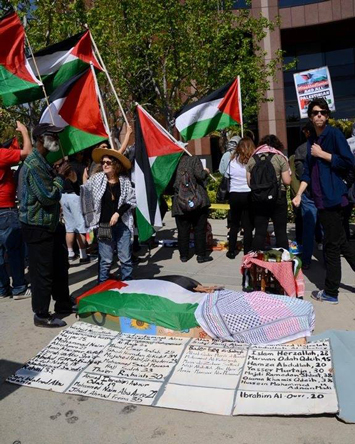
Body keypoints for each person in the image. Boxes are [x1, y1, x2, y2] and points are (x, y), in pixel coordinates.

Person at [292, 97, 355, 304]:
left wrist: (324, 155)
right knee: (342, 242)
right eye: (315, 113)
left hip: (334, 199)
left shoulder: (334, 135)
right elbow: (308, 173)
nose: (319, 115)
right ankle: (331, 291)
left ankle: (330, 292)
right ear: (310, 117)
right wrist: (299, 194)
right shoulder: (311, 142)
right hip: (320, 199)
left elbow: (349, 162)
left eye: (323, 112)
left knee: (331, 246)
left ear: (327, 116)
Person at [18, 123, 74, 327]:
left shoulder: (42, 161)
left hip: (50, 225)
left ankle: (63, 304)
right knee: (42, 272)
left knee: (60, 265)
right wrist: (60, 177)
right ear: (41, 139)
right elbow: (49, 196)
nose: (57, 141)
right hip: (37, 227)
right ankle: (41, 314)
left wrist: (57, 173)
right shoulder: (33, 165)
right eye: (53, 136)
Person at [80, 146, 136, 283]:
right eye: (103, 162)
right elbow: (85, 191)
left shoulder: (124, 181)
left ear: (115, 164)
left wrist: (118, 213)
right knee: (105, 261)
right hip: (104, 225)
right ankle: (102, 289)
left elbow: (132, 200)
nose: (104, 164)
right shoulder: (97, 179)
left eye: (108, 162)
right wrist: (78, 179)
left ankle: (128, 286)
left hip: (122, 225)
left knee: (126, 259)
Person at [0, 122, 32, 300]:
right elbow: (27, 153)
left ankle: (2, 288)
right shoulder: (1, 154)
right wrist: (25, 133)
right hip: (5, 209)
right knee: (14, 249)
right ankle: (19, 287)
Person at [246, 134, 291, 251]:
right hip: (278, 198)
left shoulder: (252, 159)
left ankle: (256, 262)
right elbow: (287, 181)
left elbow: (249, 183)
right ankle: (283, 262)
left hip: (259, 199)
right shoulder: (280, 157)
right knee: (280, 231)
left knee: (260, 232)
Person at [172, 153, 212, 263]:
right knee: (199, 229)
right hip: (197, 200)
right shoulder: (194, 159)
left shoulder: (171, 163)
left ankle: (184, 255)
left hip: (179, 201)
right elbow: (200, 175)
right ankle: (201, 255)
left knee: (182, 230)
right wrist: (206, 172)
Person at [294, 122, 323, 269]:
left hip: (309, 194)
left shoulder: (301, 149)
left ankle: (306, 260)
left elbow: (301, 174)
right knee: (324, 228)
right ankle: (326, 260)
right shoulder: (325, 146)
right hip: (321, 194)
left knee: (309, 228)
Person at [224, 137, 255, 258]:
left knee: (234, 224)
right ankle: (247, 251)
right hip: (248, 193)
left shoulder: (232, 162)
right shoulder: (252, 162)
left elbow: (226, 175)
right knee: (248, 226)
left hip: (234, 194)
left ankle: (231, 250)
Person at [58, 158, 89, 263]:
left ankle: (70, 253)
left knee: (69, 227)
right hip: (74, 196)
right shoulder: (79, 166)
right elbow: (82, 182)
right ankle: (83, 255)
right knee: (81, 226)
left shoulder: (61, 168)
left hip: (63, 197)